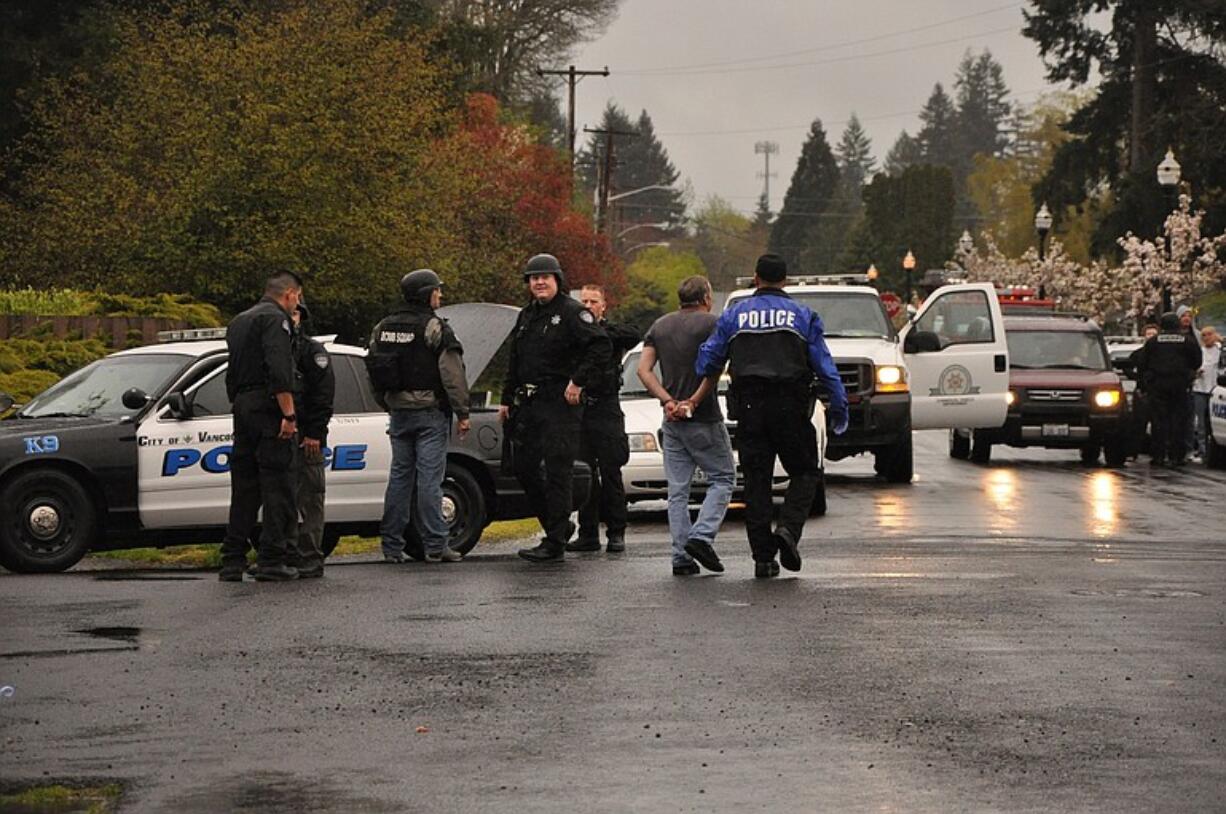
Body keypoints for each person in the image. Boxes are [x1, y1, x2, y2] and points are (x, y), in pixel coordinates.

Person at [695, 254, 848, 578]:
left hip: (750, 408)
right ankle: (789, 531)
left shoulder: (734, 315)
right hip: (791, 406)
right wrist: (839, 406)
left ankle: (764, 559)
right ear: (785, 280)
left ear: (755, 278)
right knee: (806, 471)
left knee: (757, 482)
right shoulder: (803, 316)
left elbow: (707, 362)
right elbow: (826, 367)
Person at [499, 254, 611, 563]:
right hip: (531, 403)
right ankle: (557, 525)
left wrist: (578, 382)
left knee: (558, 470)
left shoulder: (573, 313)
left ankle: (555, 541)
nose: (539, 282)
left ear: (557, 280)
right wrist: (507, 398)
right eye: (533, 278)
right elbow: (515, 359)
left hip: (560, 403)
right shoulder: (526, 315)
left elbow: (600, 346)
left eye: (545, 277)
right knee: (523, 467)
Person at [367, 269, 470, 564]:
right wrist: (462, 411)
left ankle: (391, 546)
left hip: (399, 413)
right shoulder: (434, 327)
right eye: (437, 290)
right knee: (429, 480)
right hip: (429, 413)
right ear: (426, 294)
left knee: (399, 478)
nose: (440, 295)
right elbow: (452, 375)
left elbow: (373, 370)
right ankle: (436, 544)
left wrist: (388, 403)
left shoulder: (382, 327)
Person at [637, 276, 735, 576]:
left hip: (671, 420)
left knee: (677, 491)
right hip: (703, 417)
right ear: (706, 296)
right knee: (723, 478)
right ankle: (701, 536)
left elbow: (643, 370)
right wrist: (692, 401)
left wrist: (668, 401)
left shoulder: (660, 326)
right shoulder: (712, 324)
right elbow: (714, 369)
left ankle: (680, 556)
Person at [218, 271, 304, 582]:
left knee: (244, 487)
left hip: (242, 406)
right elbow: (279, 368)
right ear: (290, 294)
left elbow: (232, 369)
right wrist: (289, 415)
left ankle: (232, 558)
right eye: (298, 297)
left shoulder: (240, 321)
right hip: (268, 408)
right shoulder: (275, 320)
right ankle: (272, 558)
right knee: (278, 485)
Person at [566, 284, 640, 554]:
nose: (588, 305)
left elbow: (634, 333)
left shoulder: (612, 333)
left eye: (593, 301)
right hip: (581, 409)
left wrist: (598, 331)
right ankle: (588, 533)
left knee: (611, 471)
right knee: (584, 473)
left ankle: (616, 532)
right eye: (583, 301)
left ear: (603, 305)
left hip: (607, 407)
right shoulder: (573, 333)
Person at [289, 300, 335, 577]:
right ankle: (286, 555)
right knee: (284, 499)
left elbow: (322, 395)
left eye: (294, 313)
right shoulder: (274, 348)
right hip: (282, 435)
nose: (290, 317)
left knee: (310, 499)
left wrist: (315, 433)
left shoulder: (312, 351)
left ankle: (309, 557)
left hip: (308, 436)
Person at [1134, 312, 1201, 467]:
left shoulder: (1153, 342)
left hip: (1158, 386)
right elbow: (1197, 361)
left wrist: (1145, 383)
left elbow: (1142, 364)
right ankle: (1177, 456)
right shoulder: (1187, 341)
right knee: (1179, 421)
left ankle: (1158, 455)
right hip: (1180, 385)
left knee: (1159, 421)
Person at [1191, 326, 1222, 462]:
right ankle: (1202, 450)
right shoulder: (1199, 352)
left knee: (1213, 421)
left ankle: (1212, 449)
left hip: (1215, 390)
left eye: (1209, 334)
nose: (1207, 337)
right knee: (1200, 423)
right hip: (1200, 389)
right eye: (1203, 335)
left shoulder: (1220, 351)